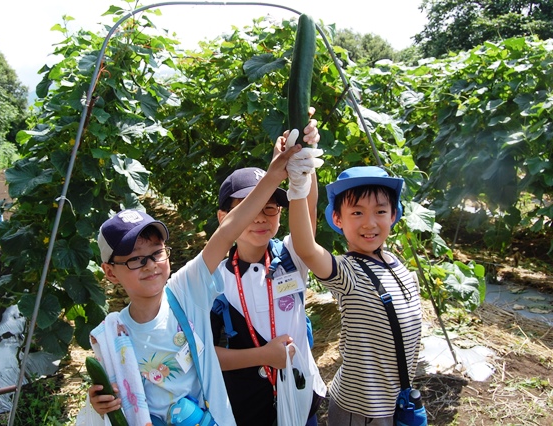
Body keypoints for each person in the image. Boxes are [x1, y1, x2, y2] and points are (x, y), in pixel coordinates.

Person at [86, 142, 319, 426]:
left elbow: (226, 234)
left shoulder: (184, 294)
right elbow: (115, 395)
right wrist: (101, 402)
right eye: (135, 260)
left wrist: (276, 175)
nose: (149, 265)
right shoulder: (113, 335)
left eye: (156, 253)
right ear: (110, 272)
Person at [211, 118, 326, 426]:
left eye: (270, 208)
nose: (260, 218)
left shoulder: (292, 256)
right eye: (249, 207)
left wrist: (305, 156)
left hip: (302, 402)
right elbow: (206, 355)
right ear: (225, 217)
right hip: (247, 409)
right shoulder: (214, 280)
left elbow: (308, 209)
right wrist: (263, 355)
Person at [288, 166, 423, 426]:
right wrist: (302, 177)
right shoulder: (348, 272)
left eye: (380, 211)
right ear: (338, 219)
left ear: (394, 215)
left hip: (395, 399)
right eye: (357, 212)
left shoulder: (396, 264)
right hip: (361, 409)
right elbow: (305, 247)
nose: (369, 223)